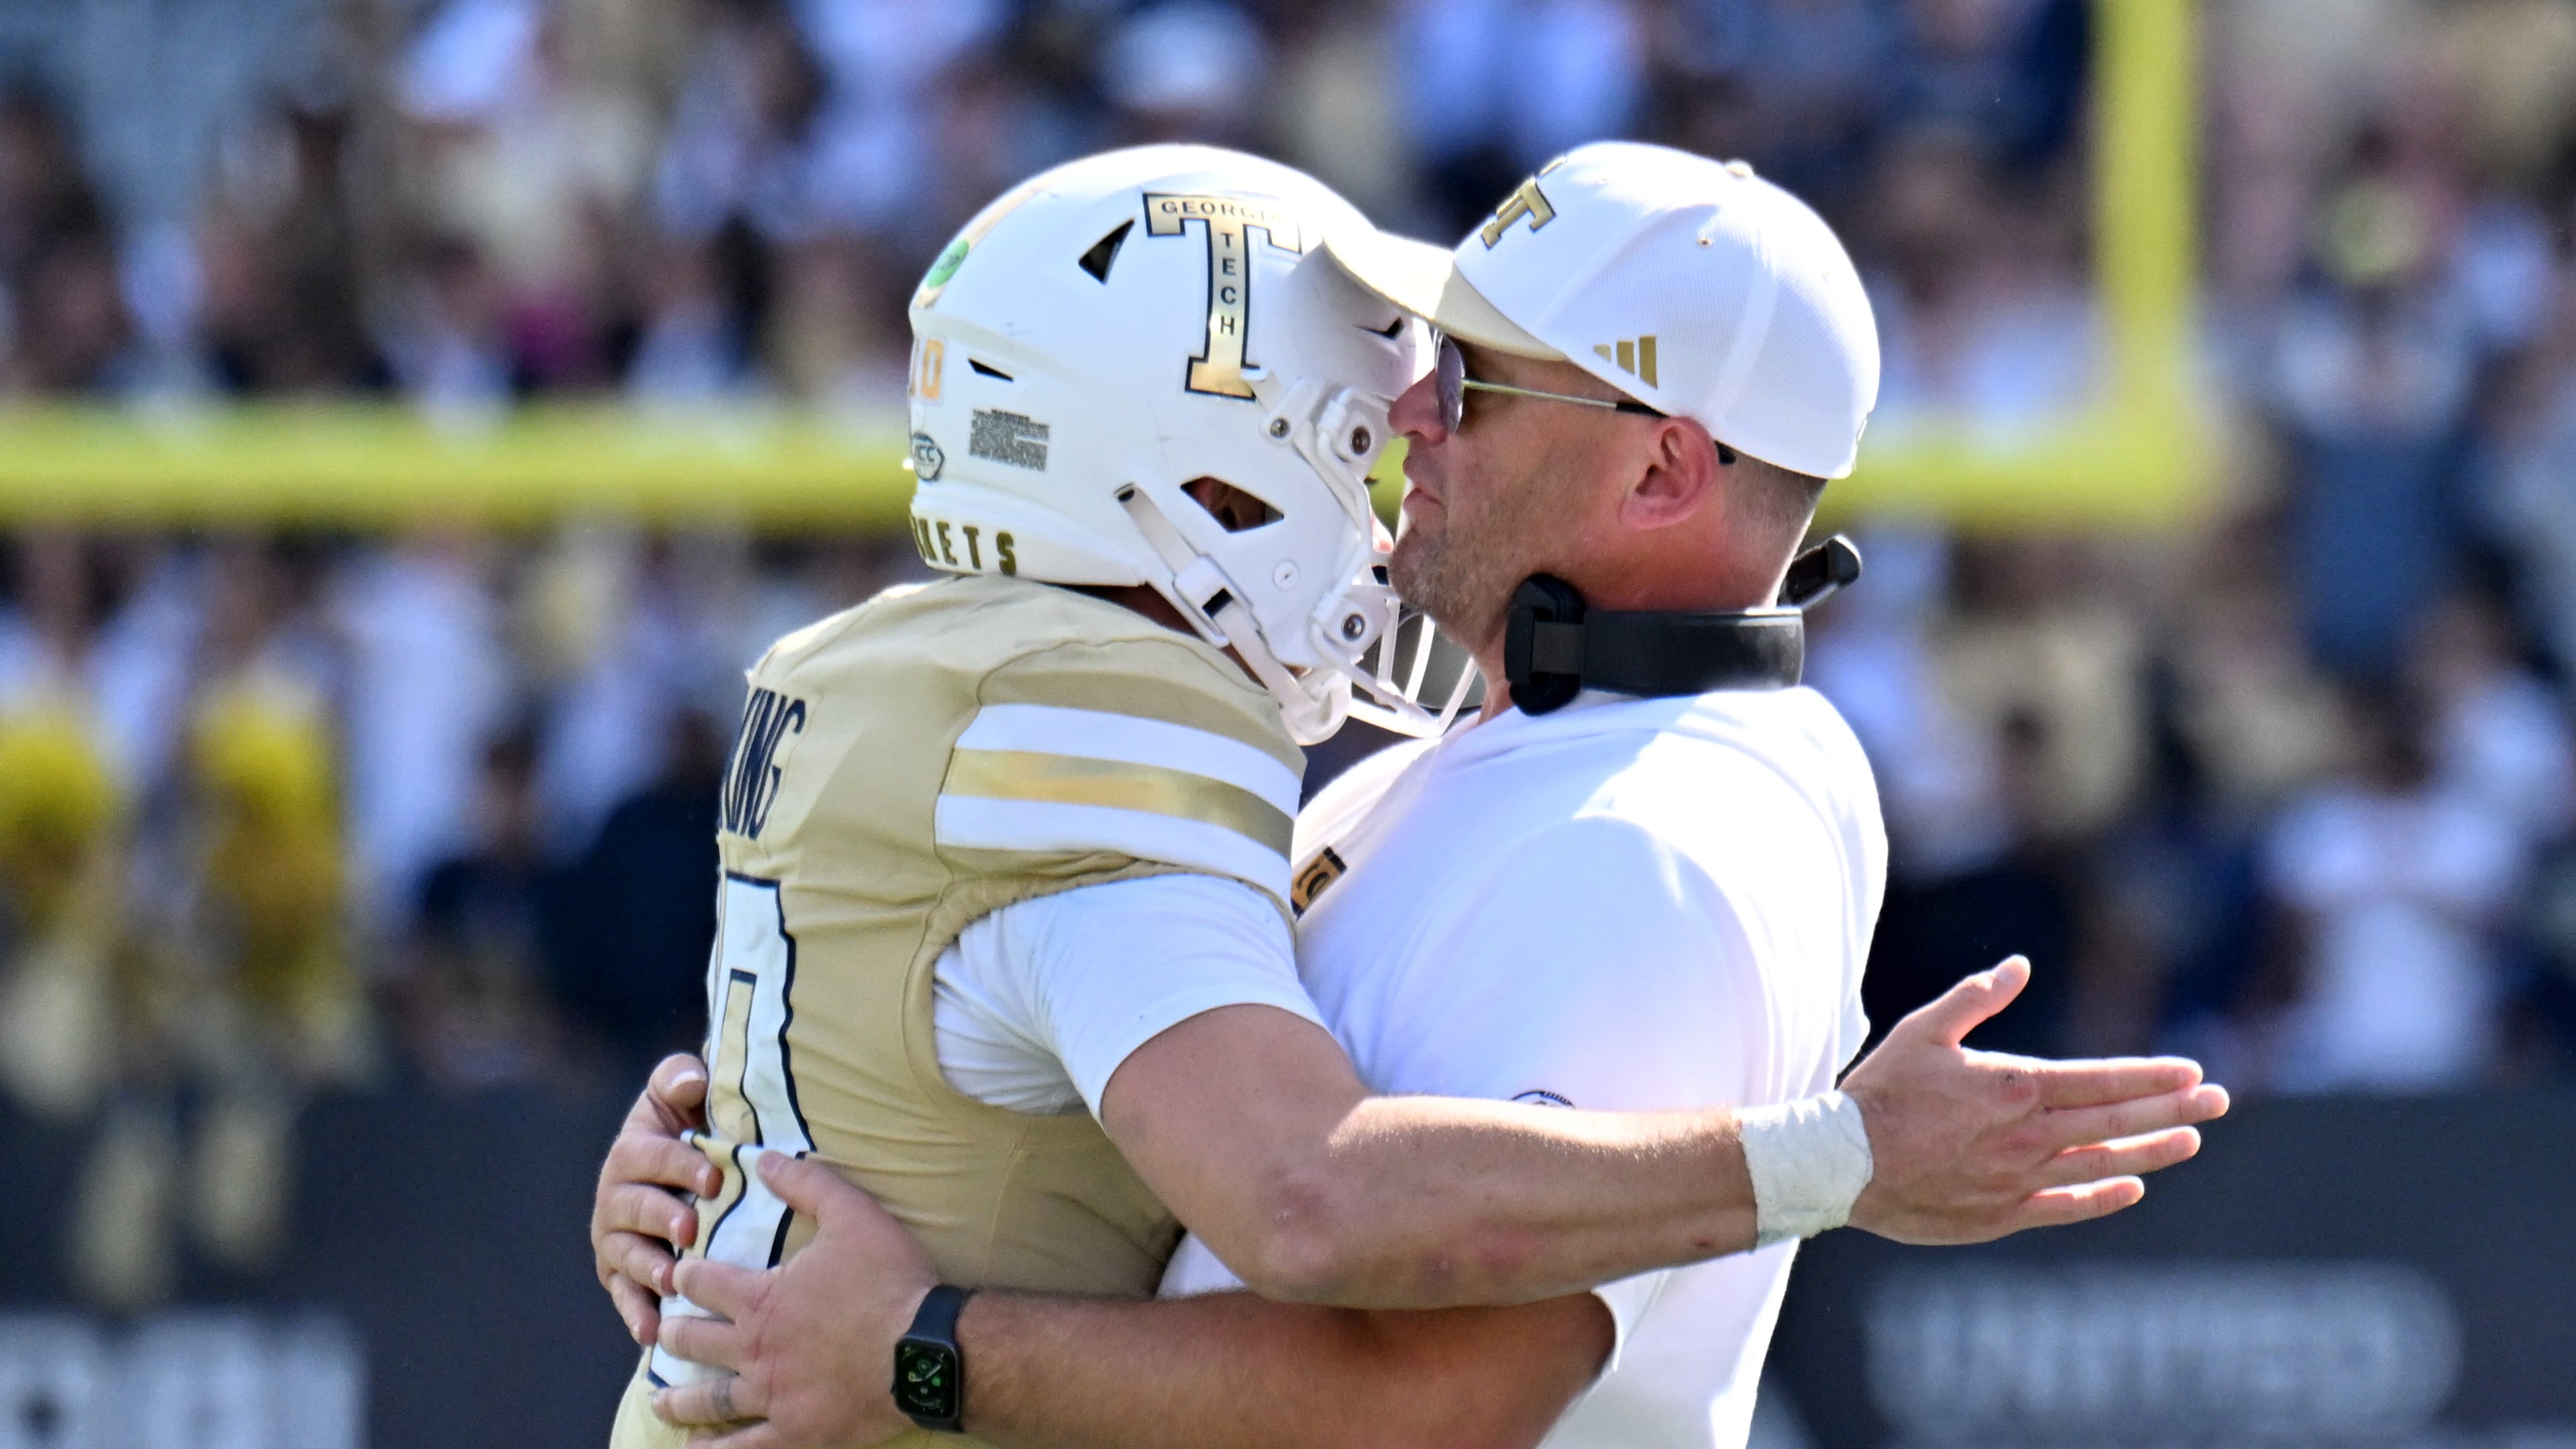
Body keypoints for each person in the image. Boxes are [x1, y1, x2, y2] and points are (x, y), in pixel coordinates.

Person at [598, 142, 2229, 1449]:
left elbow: (1429, 1400)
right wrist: (744, 1165)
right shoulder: (1484, 765)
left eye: (1481, 382)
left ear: (1662, 468)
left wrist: (922, 1356)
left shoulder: (1643, 847)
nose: (1410, 418)